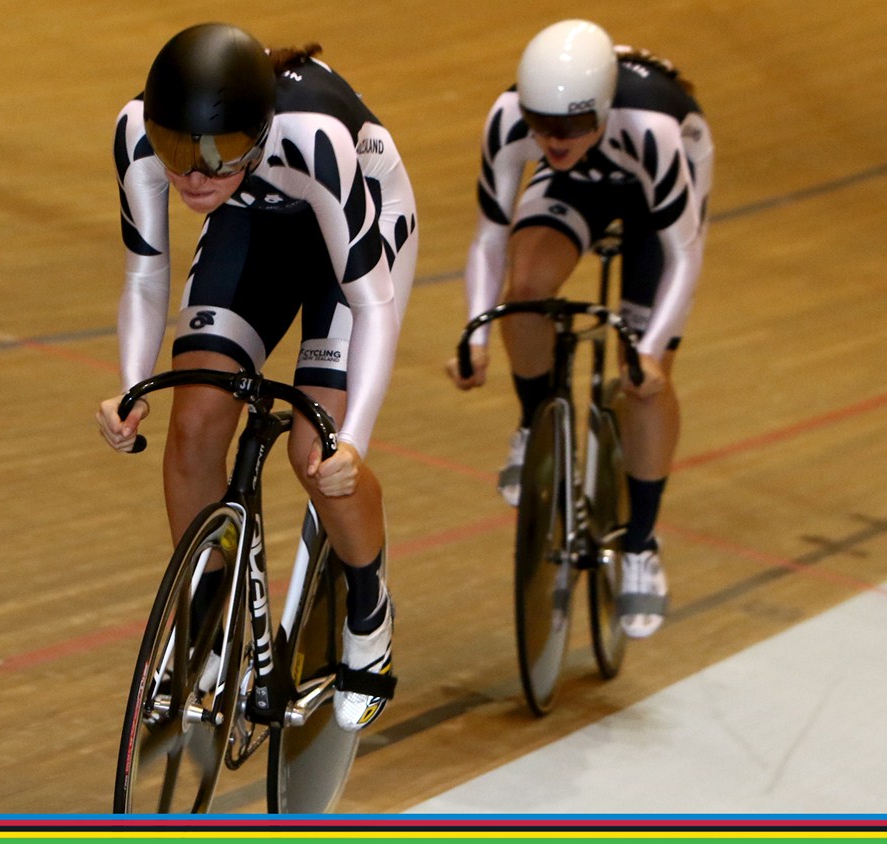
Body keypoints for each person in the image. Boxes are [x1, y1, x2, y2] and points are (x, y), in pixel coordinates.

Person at [96, 23, 418, 730]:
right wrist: (129, 384)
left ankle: (369, 611)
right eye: (179, 155)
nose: (194, 178)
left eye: (217, 158)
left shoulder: (314, 138)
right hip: (254, 224)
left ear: (260, 132)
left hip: (355, 233)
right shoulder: (140, 134)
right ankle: (209, 618)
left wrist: (351, 440)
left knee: (316, 453)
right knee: (192, 429)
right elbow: (145, 274)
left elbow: (373, 303)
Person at [446, 19, 713, 639]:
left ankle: (641, 544)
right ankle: (533, 422)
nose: (551, 137)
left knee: (646, 381)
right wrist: (476, 336)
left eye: (567, 125)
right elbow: (490, 236)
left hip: (657, 205)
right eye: (541, 123)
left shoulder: (654, 129)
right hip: (577, 190)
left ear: (602, 108)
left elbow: (685, 255)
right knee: (528, 289)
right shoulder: (512, 119)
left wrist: (649, 352)